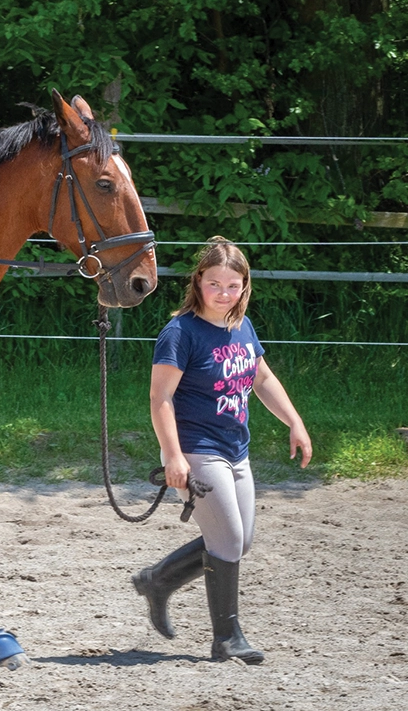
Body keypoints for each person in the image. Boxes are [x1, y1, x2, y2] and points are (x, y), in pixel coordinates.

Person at [132, 236, 312, 664]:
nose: (224, 294)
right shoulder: (180, 332)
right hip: (197, 450)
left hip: (236, 449)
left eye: (234, 286)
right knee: (228, 540)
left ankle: (158, 580)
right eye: (215, 284)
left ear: (244, 287)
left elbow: (261, 379)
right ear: (199, 281)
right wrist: (173, 456)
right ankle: (226, 639)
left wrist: (294, 421)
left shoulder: (241, 325)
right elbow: (160, 399)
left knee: (239, 541)